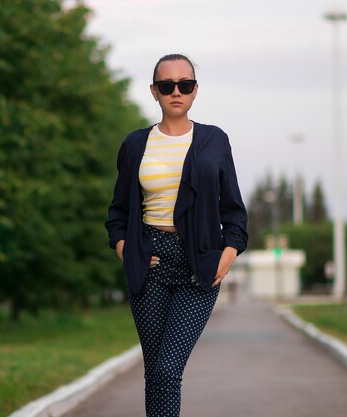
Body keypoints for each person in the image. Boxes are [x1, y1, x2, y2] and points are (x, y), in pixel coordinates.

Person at [104, 53, 248, 416]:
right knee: (155, 373)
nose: (176, 92)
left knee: (168, 370)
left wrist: (226, 257)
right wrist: (126, 248)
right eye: (167, 86)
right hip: (149, 262)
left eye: (185, 85)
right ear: (154, 91)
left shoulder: (214, 141)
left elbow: (234, 213)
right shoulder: (135, 144)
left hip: (199, 266)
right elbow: (117, 212)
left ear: (195, 90)